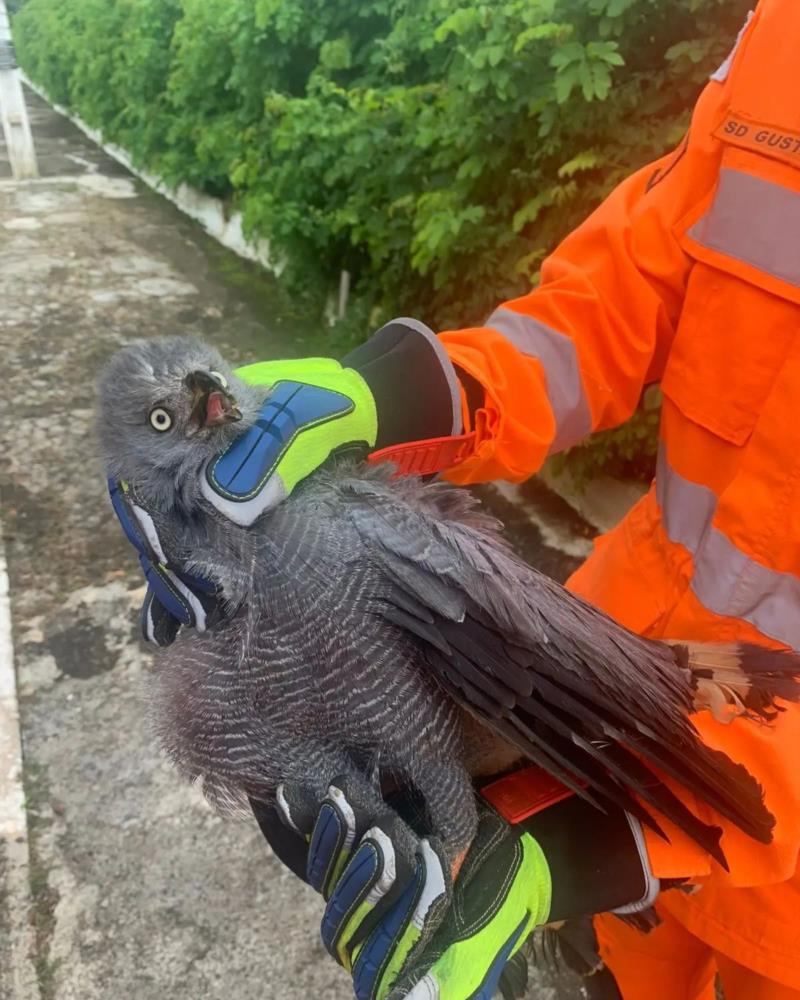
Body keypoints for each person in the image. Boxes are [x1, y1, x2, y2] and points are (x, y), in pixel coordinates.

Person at [129, 1, 800, 996]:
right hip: (618, 703)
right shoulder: (781, 44)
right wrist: (382, 395)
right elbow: (605, 308)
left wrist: (571, 849)